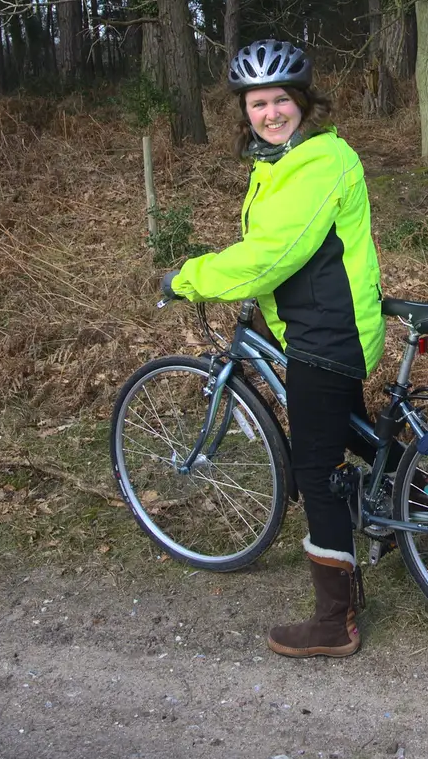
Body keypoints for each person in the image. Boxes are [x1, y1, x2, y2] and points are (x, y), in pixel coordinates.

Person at [163, 39, 383, 659]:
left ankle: (333, 623)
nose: (269, 113)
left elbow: (274, 253)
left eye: (279, 100)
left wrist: (189, 278)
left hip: (327, 333)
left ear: (302, 103)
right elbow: (289, 250)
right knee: (350, 437)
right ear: (246, 111)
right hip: (315, 322)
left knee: (317, 470)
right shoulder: (280, 162)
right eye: (258, 104)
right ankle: (413, 508)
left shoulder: (316, 160)